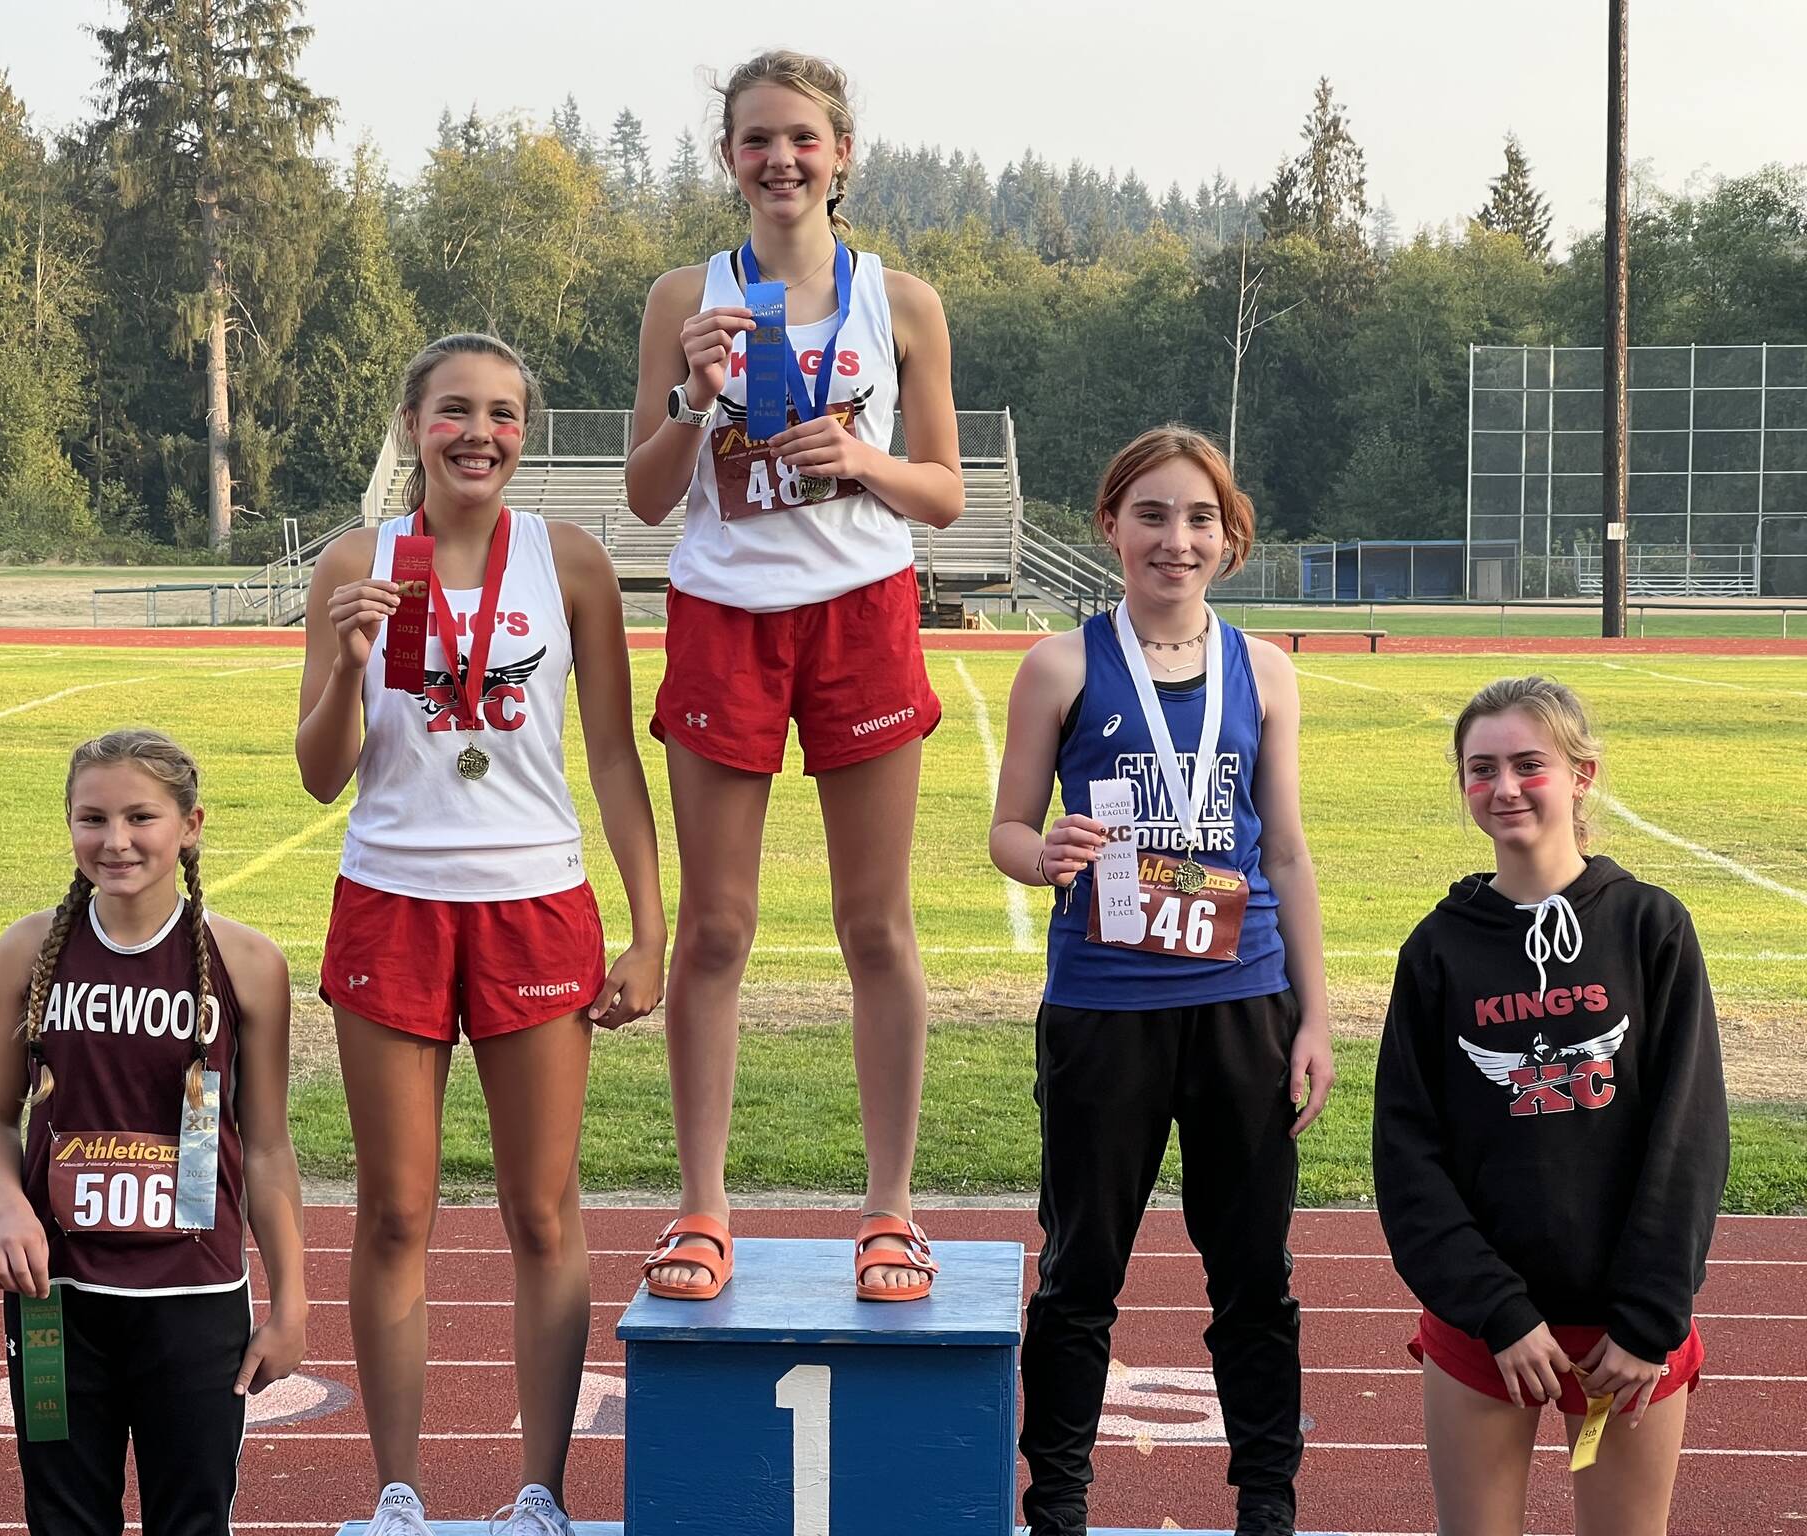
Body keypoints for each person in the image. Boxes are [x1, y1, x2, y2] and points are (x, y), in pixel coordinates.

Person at [299, 332, 666, 1535]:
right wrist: (349, 663)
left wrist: (647, 925)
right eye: (453, 411)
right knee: (394, 1210)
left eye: (502, 414)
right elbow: (319, 776)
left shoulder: (570, 565)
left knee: (541, 1210)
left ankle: (539, 1493)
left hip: (534, 905)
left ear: (524, 433)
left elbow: (611, 755)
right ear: (412, 424)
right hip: (391, 901)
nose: (478, 434)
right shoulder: (354, 561)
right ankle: (397, 1490)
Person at [625, 48, 963, 1303]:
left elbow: (941, 491)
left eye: (802, 140)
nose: (780, 160)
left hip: (860, 615)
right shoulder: (684, 295)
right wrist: (690, 394)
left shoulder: (902, 302)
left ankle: (889, 1212)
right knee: (715, 929)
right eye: (756, 140)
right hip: (724, 615)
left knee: (872, 924)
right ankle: (701, 1211)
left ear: (840, 156)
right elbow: (648, 496)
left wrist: (861, 459)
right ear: (729, 160)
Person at [987, 425, 1333, 1536]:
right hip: (1103, 1006)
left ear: (1227, 540)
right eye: (1149, 515)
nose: (1172, 540)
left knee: (1252, 1278)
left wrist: (1314, 1015)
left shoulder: (1263, 668)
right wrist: (1039, 856)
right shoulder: (1061, 663)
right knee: (1080, 1271)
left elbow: (1282, 849)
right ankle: (1059, 1506)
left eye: (1197, 519)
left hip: (1242, 1001)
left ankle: (1266, 1506)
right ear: (1108, 527)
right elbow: (1006, 826)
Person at [1374, 675, 1728, 1536]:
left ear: (1581, 775)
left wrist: (1648, 1321)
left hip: (1628, 1334)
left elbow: (1687, 1136)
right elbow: (1407, 1155)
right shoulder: (1438, 949)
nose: (1503, 788)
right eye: (1480, 768)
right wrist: (1495, 1309)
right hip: (1484, 1327)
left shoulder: (1651, 927)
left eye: (1529, 764)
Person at [0, 729, 306, 1536]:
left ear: (190, 825)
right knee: (64, 1518)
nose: (114, 841)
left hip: (194, 1296)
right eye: (92, 819)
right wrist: (7, 1208)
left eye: (139, 818)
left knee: (190, 1519)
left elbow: (265, 1146)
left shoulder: (249, 963)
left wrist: (291, 1300)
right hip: (56, 1302)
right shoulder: (26, 950)